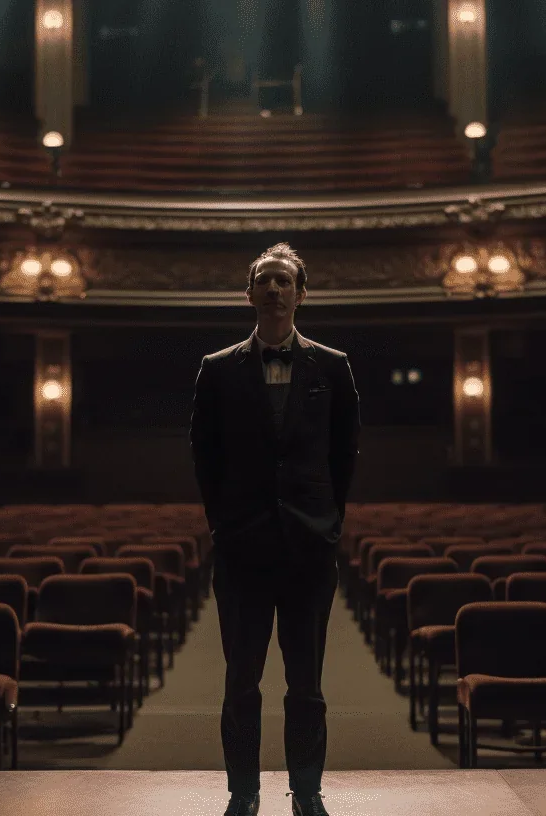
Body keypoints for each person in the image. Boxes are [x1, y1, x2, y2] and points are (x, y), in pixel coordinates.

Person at [190, 242, 360, 816]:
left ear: (301, 293)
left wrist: (327, 523)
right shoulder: (217, 371)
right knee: (241, 684)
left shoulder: (332, 367)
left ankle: (308, 793)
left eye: (284, 280)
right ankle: (243, 794)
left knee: (306, 686)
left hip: (309, 548)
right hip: (243, 548)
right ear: (250, 293)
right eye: (264, 280)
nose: (274, 289)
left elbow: (344, 456)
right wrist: (226, 526)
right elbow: (205, 458)